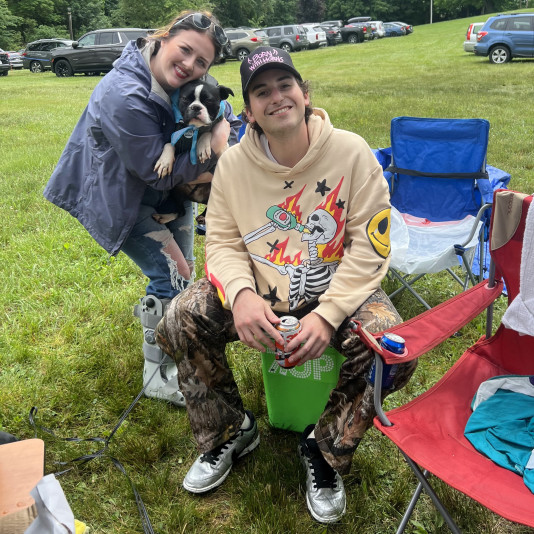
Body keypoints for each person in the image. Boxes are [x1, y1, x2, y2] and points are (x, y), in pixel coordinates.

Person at [154, 46, 417, 523]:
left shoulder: (352, 152)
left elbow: (370, 246)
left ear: (305, 94)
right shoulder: (233, 165)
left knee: (393, 350)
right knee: (178, 318)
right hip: (260, 289)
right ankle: (229, 431)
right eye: (261, 92)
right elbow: (223, 241)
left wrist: (329, 315)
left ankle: (325, 449)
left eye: (285, 85)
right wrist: (241, 295)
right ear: (249, 112)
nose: (276, 97)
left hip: (336, 289)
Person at [43, 11, 241, 407]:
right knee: (171, 275)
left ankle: (172, 344)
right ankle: (156, 373)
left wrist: (223, 131)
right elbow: (156, 172)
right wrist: (216, 150)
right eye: (185, 50)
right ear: (163, 38)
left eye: (201, 61)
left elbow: (223, 116)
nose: (190, 65)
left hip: (168, 194)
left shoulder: (186, 84)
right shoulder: (124, 93)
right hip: (120, 198)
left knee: (183, 275)